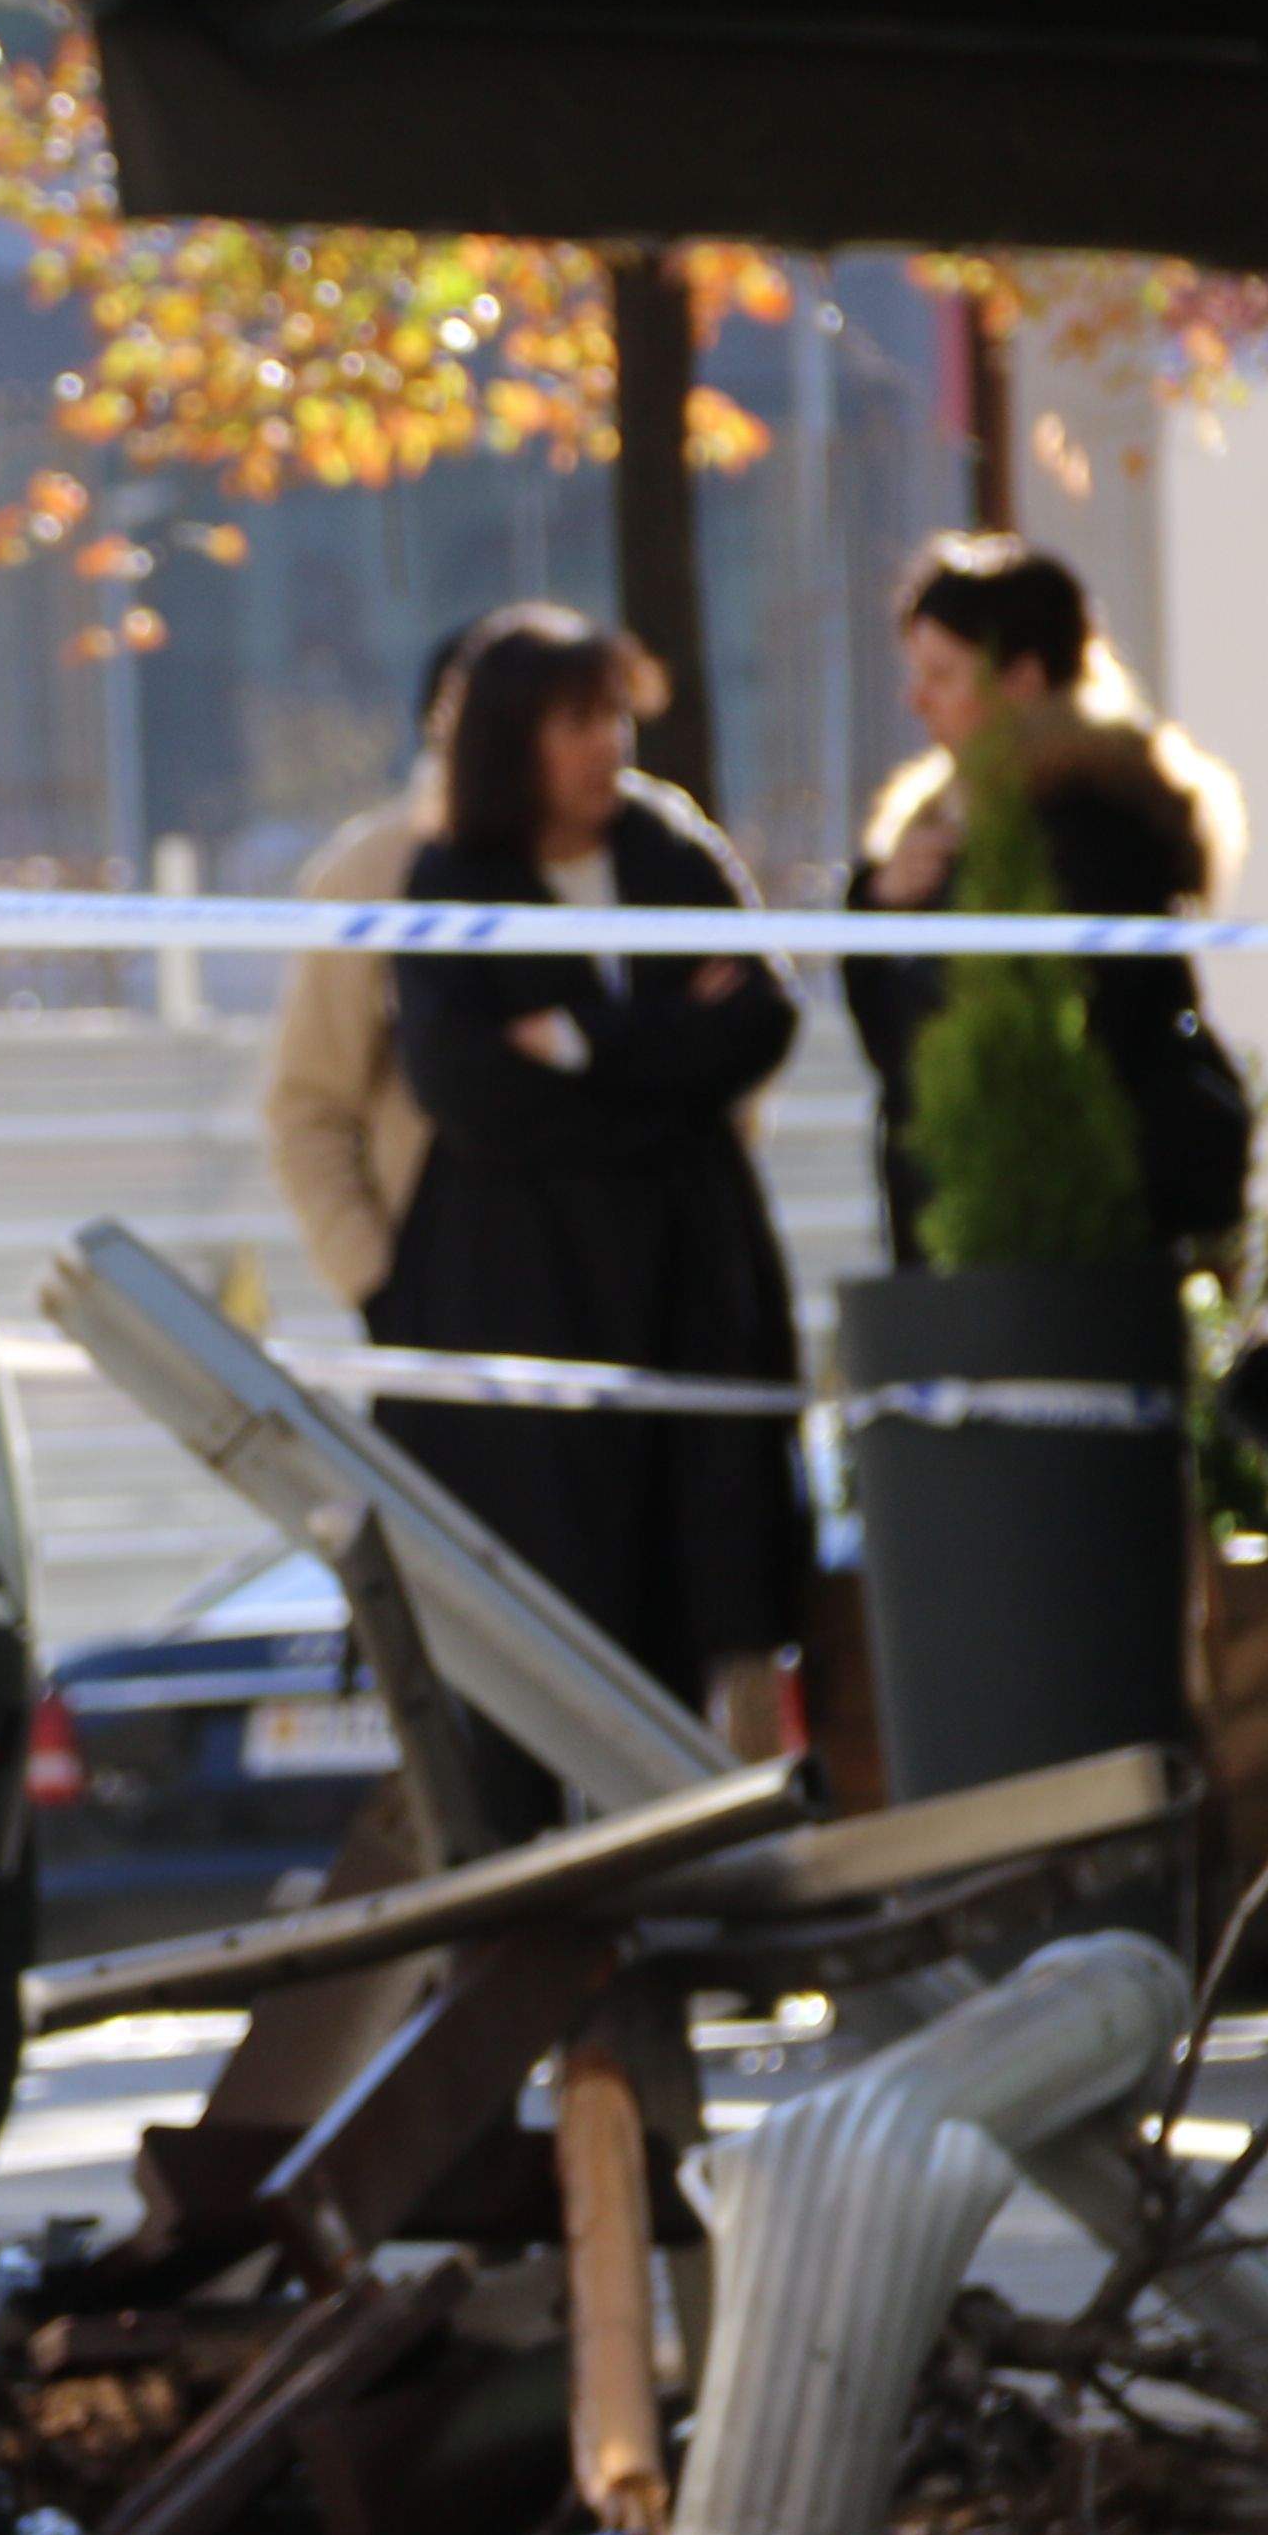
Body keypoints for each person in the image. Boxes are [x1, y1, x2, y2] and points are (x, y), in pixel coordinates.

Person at [375, 607, 811, 1813]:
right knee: (543, 1610)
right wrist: (667, 1056)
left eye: (616, 715)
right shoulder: (449, 880)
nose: (606, 743)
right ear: (514, 739)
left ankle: (707, 1892)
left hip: (687, 1284)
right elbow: (466, 1089)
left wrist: (581, 1039)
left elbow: (764, 1019)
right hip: (524, 1298)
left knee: (697, 1591)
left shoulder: (672, 849)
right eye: (578, 720)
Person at [844, 533, 1254, 1263]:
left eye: (941, 675)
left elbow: (1047, 1037)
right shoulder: (933, 832)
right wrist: (875, 905)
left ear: (1023, 677)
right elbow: (899, 1049)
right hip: (965, 1219)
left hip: (1081, 1228)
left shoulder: (1092, 824)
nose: (916, 702)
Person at [263, 612, 509, 1312]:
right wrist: (377, 1280)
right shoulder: (368, 873)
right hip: (444, 1296)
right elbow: (308, 1102)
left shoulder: (647, 847)